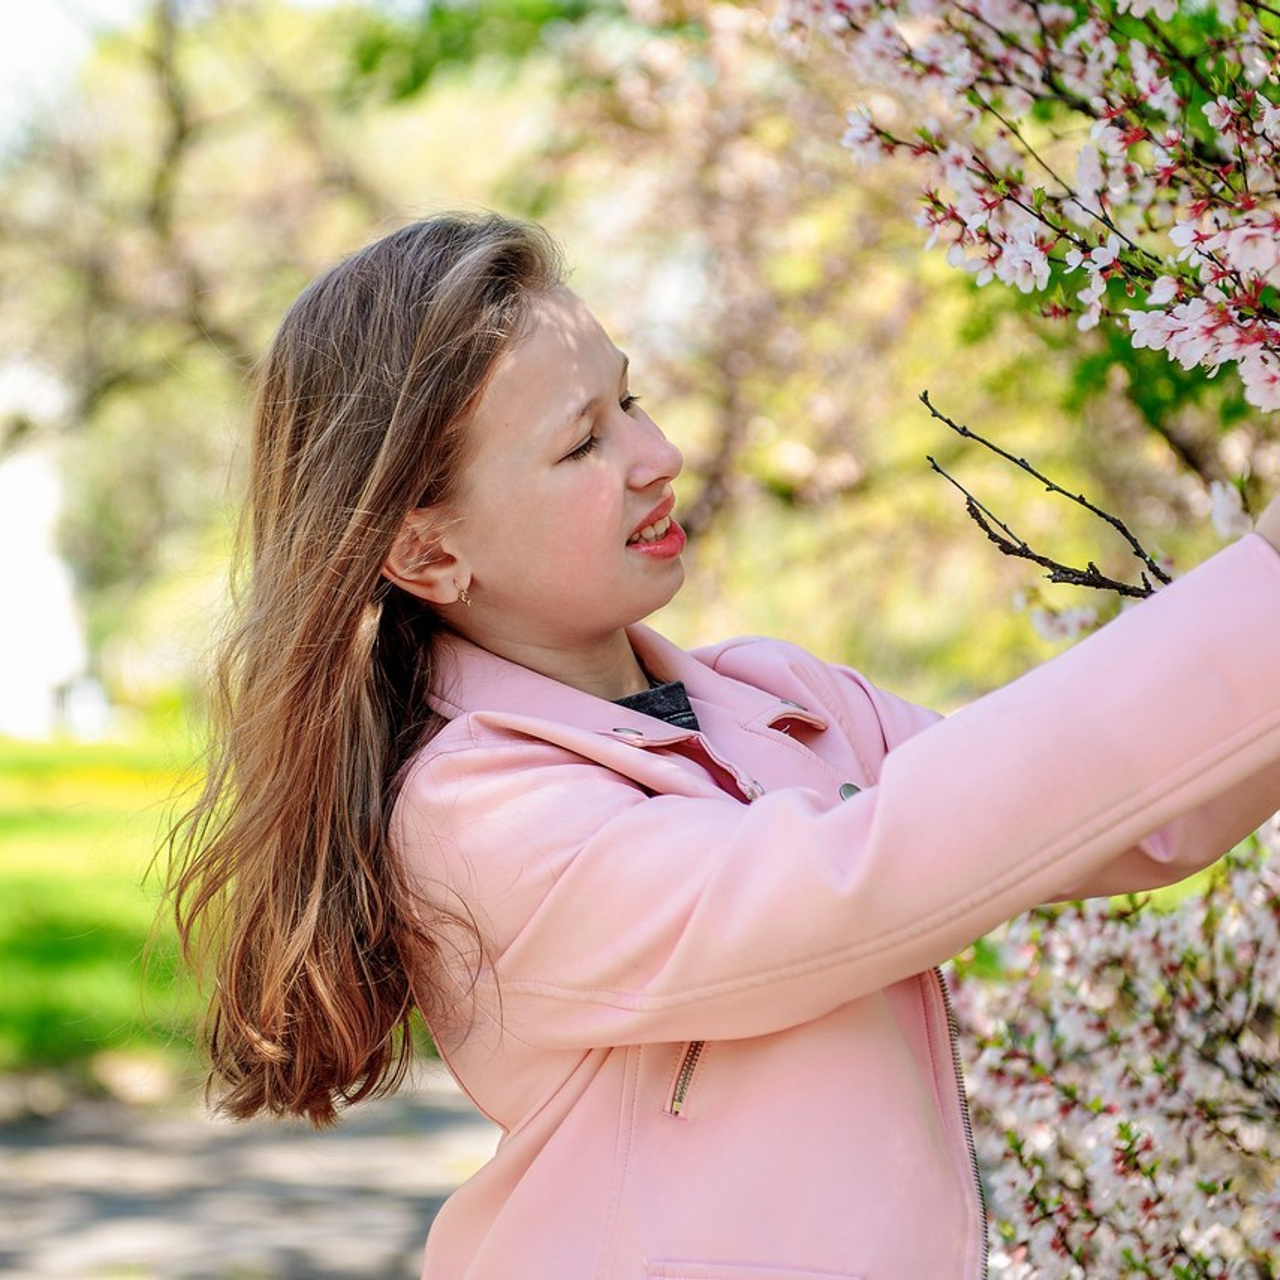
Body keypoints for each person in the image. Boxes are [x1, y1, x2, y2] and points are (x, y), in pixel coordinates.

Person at [168, 211, 1280, 1280]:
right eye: (581, 444)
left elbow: (1132, 815)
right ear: (426, 549)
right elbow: (853, 880)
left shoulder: (779, 696)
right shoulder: (474, 811)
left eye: (630, 399)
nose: (659, 453)